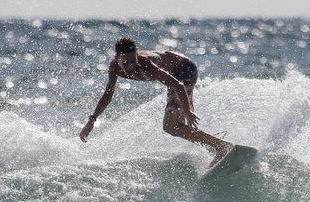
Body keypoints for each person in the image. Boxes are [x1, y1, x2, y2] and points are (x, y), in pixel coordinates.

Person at [80, 37, 234, 166]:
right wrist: (92, 120)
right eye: (125, 62)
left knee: (171, 125)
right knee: (174, 125)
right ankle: (218, 146)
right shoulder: (114, 68)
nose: (131, 66)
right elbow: (108, 95)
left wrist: (187, 112)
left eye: (133, 61)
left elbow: (177, 84)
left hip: (184, 71)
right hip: (175, 77)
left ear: (137, 55)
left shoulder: (145, 64)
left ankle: (220, 147)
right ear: (117, 59)